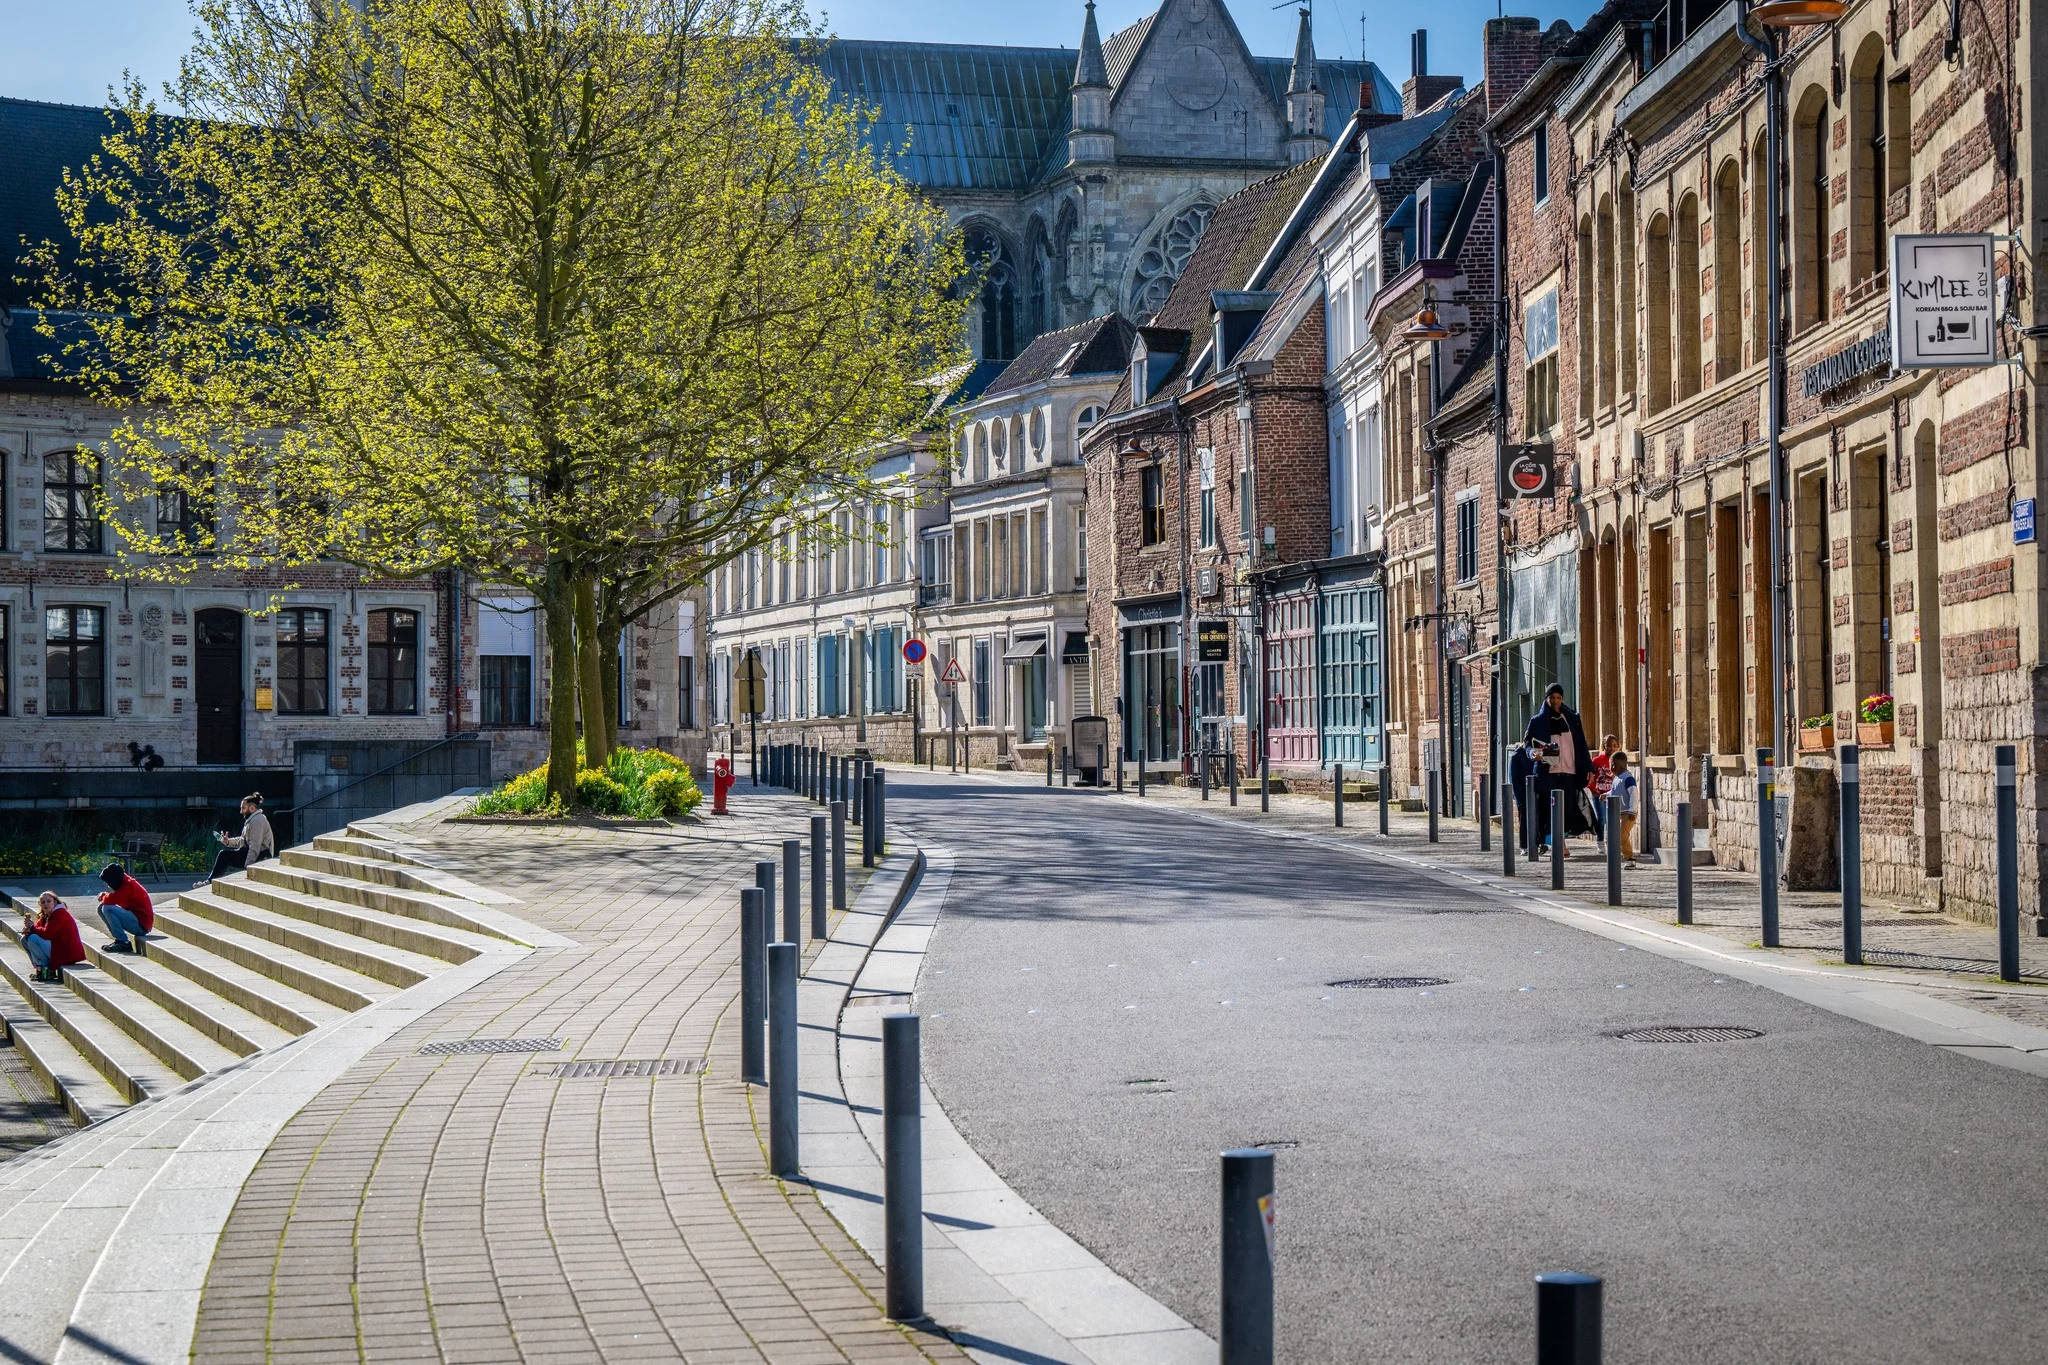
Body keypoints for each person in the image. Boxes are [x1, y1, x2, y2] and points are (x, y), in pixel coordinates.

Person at [1524, 683, 1594, 857]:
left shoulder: (1572, 718)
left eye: (1558, 698)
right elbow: (1526, 745)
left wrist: (1588, 768)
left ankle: (1558, 841)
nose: (1555, 701)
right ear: (1546, 699)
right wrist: (1533, 753)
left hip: (1570, 771)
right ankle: (1558, 844)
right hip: (1549, 773)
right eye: (1552, 697)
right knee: (1552, 809)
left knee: (1568, 810)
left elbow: (1581, 745)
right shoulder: (1537, 721)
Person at [23, 892, 86, 983]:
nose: (46, 904)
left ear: (55, 902)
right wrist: (28, 929)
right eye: (43, 902)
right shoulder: (47, 915)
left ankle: (47, 970)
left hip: (66, 951)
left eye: (48, 901)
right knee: (25, 939)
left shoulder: (60, 914)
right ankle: (40, 969)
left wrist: (32, 927)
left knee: (33, 938)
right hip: (57, 946)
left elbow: (47, 933)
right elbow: (39, 928)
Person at [211, 792, 276, 880]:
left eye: (243, 808)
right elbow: (243, 841)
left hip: (261, 856)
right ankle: (211, 880)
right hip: (254, 854)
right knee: (224, 855)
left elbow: (255, 846)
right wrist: (228, 841)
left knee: (224, 855)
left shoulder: (257, 821)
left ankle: (211, 881)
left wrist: (248, 867)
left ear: (252, 808)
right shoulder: (251, 820)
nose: (241, 811)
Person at [96, 863, 154, 954]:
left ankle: (123, 942)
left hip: (141, 925)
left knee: (107, 908)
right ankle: (118, 939)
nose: (108, 886)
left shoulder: (129, 885)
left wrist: (104, 896)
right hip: (136, 919)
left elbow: (111, 900)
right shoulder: (125, 882)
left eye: (108, 883)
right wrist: (105, 896)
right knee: (101, 908)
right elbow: (113, 898)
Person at [1611, 752, 1639, 865]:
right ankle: (1618, 856)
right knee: (1615, 835)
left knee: (1622, 835)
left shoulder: (1628, 778)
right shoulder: (1617, 778)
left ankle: (1630, 858)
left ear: (1615, 764)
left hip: (1628, 813)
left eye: (1611, 764)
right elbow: (1616, 792)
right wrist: (1606, 795)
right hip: (1619, 812)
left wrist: (1633, 810)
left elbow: (1634, 794)